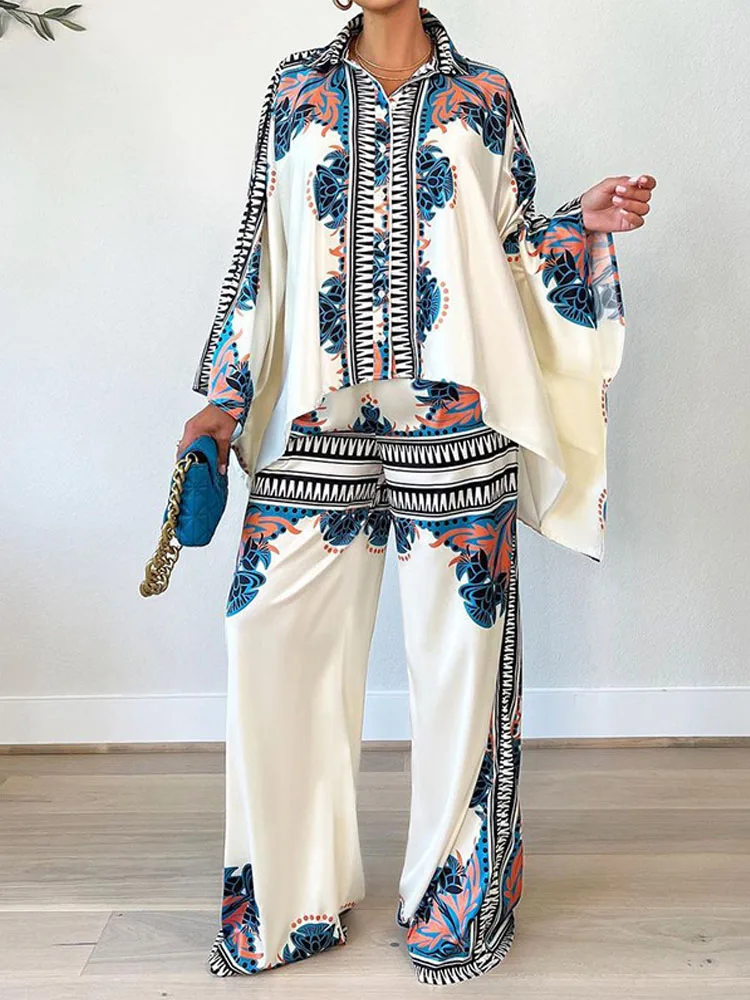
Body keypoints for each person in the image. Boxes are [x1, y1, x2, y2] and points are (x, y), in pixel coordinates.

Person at [177, 0, 655, 985]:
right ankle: (285, 901)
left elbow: (512, 249)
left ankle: (454, 900)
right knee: (265, 629)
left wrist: (581, 223)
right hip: (321, 414)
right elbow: (259, 252)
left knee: (460, 663)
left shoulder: (485, 96)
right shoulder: (295, 90)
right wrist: (223, 399)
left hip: (459, 419)